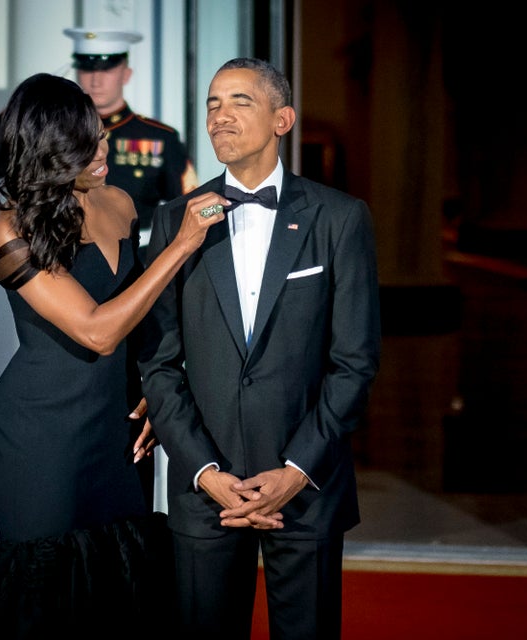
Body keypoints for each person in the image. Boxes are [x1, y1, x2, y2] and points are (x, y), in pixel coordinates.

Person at [0, 72, 225, 636]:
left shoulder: (118, 201)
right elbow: (97, 331)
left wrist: (153, 396)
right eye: (87, 141)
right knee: (47, 596)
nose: (104, 149)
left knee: (120, 585)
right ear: (51, 148)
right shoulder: (10, 228)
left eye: (103, 135)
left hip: (118, 427)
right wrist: (182, 244)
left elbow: (142, 323)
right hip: (42, 434)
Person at [138, 57, 381, 639]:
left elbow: (355, 360)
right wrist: (203, 470)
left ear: (283, 119)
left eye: (239, 102)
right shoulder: (176, 219)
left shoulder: (340, 218)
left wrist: (296, 469)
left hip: (305, 485)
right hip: (206, 490)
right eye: (212, 105)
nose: (219, 117)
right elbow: (157, 361)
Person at [0, 27, 198, 247]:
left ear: (126, 75)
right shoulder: (50, 133)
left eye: (106, 69)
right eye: (87, 69)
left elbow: (190, 203)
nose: (96, 80)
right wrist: (22, 105)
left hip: (138, 253)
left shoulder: (159, 137)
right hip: (63, 250)